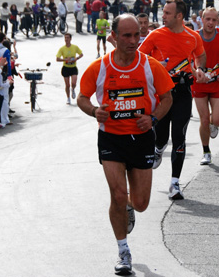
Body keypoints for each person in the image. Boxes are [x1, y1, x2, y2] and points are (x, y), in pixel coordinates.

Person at [77, 14, 174, 275]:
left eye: (137, 35)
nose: (133, 41)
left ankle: (130, 207)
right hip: (111, 138)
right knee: (117, 195)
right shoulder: (100, 67)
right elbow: (82, 98)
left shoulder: (150, 66)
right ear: (115, 36)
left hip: (141, 139)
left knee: (140, 203)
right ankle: (123, 251)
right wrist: (94, 111)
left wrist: (153, 118)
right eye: (127, 36)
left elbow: (167, 98)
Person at [139, 0, 207, 200]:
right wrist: (154, 63)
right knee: (161, 136)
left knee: (179, 135)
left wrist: (200, 69)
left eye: (167, 13)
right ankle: (159, 148)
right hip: (161, 94)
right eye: (163, 12)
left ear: (179, 16)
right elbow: (139, 59)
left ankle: (175, 183)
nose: (163, 15)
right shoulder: (155, 35)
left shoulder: (193, 37)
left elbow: (200, 56)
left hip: (183, 91)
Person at [190, 8, 219, 164]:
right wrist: (196, 72)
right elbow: (187, 58)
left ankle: (213, 123)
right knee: (203, 119)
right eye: (207, 19)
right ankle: (206, 151)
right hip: (199, 83)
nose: (210, 23)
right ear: (202, 20)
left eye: (213, 20)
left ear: (218, 21)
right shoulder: (195, 37)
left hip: (218, 82)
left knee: (217, 121)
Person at [56, 33, 83, 105]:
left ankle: (73, 89)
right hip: (66, 68)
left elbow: (81, 54)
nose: (66, 39)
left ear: (70, 39)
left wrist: (76, 59)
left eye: (67, 38)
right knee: (67, 85)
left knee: (73, 83)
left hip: (73, 68)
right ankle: (68, 98)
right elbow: (57, 59)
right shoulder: (62, 49)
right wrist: (65, 60)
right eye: (65, 38)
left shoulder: (74, 47)